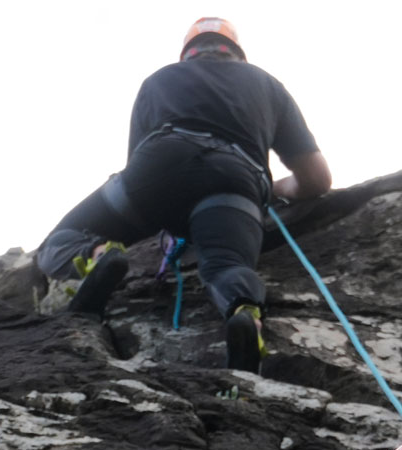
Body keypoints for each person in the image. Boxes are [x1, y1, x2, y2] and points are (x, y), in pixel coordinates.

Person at [35, 17, 331, 371]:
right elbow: (317, 179)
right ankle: (243, 313)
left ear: (187, 52)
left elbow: (137, 163)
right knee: (226, 267)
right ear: (238, 53)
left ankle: (99, 254)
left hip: (158, 167)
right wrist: (274, 190)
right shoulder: (267, 86)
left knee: (57, 243)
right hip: (234, 181)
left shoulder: (159, 80)